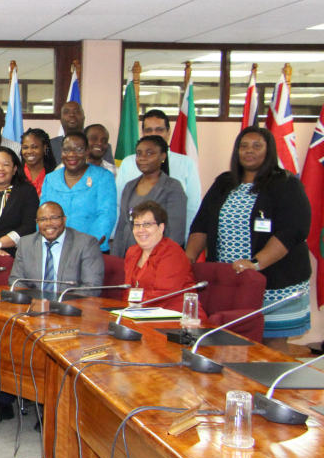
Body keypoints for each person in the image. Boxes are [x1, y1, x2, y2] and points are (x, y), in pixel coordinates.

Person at [186, 126, 312, 349]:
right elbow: (202, 223)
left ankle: (276, 385)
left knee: (271, 342)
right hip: (231, 282)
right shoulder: (224, 182)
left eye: (256, 146)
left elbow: (291, 231)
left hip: (276, 281)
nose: (249, 151)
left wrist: (256, 263)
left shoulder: (286, 183)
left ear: (269, 151)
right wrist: (188, 258)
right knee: (231, 342)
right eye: (243, 146)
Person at [116, 109, 201, 233]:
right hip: (135, 237)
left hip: (173, 238)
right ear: (143, 133)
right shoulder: (129, 163)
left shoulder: (186, 164)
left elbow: (192, 207)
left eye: (159, 130)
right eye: (148, 130)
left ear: (168, 132)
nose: (154, 134)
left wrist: (187, 241)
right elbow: (119, 205)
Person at [124, 200, 205, 315]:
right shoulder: (132, 252)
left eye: (147, 224)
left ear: (161, 227)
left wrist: (133, 305)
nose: (141, 230)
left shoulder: (172, 253)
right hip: (139, 313)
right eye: (137, 225)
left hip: (176, 317)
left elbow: (163, 296)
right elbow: (127, 289)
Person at [111, 136, 186, 258]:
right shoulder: (130, 186)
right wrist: (116, 259)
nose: (143, 158)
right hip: (128, 257)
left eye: (149, 153)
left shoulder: (172, 187)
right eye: (139, 153)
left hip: (157, 259)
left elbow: (175, 233)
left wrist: (158, 261)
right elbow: (122, 227)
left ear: (163, 156)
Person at [40, 131, 116, 251]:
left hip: (91, 248)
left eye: (78, 150)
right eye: (66, 150)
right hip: (55, 247)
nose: (71, 154)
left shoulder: (103, 177)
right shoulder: (50, 178)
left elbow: (106, 214)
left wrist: (87, 245)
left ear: (87, 152)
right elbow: (43, 215)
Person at [8, 201, 104, 297]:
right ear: (37, 222)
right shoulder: (26, 243)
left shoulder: (86, 243)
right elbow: (16, 281)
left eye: (54, 218)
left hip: (71, 306)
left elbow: (92, 287)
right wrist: (35, 303)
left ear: (64, 219)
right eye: (43, 219)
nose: (48, 223)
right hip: (34, 305)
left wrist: (59, 304)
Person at [20, 127, 55, 198]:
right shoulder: (15, 174)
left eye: (34, 147)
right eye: (25, 147)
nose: (29, 151)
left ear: (44, 147)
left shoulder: (54, 175)